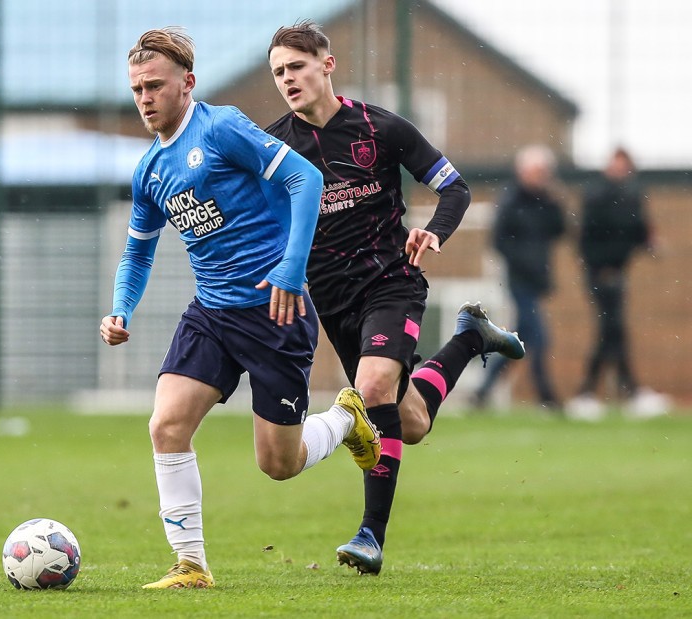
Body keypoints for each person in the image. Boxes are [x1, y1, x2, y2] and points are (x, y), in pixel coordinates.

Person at [100, 27, 382, 590]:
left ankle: (346, 418)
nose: (145, 98)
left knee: (279, 464)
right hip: (211, 314)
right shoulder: (149, 171)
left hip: (275, 311)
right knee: (166, 425)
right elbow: (137, 252)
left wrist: (291, 270)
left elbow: (306, 178)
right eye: (137, 89)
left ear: (187, 83)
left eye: (155, 86)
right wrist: (120, 309)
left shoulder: (222, 128)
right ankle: (190, 564)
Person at [265, 20, 526, 575]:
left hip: (391, 281)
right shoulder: (272, 146)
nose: (287, 79)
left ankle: (370, 536)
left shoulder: (380, 128)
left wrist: (434, 231)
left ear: (327, 65)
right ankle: (470, 338)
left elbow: (454, 187)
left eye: (297, 67)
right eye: (279, 72)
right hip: (332, 300)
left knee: (372, 389)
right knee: (409, 422)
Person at [566, 147, 669, 420]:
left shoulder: (632, 195)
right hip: (600, 272)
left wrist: (650, 243)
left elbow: (637, 229)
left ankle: (599, 392)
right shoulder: (597, 195)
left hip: (618, 271)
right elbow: (588, 235)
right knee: (612, 329)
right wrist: (601, 267)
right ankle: (604, 392)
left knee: (612, 331)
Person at [472, 144, 566, 410]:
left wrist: (555, 201)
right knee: (539, 337)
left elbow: (559, 230)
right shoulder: (511, 200)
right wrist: (524, 262)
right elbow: (499, 240)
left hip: (537, 280)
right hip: (519, 280)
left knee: (518, 341)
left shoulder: (545, 202)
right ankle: (547, 396)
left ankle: (482, 391)